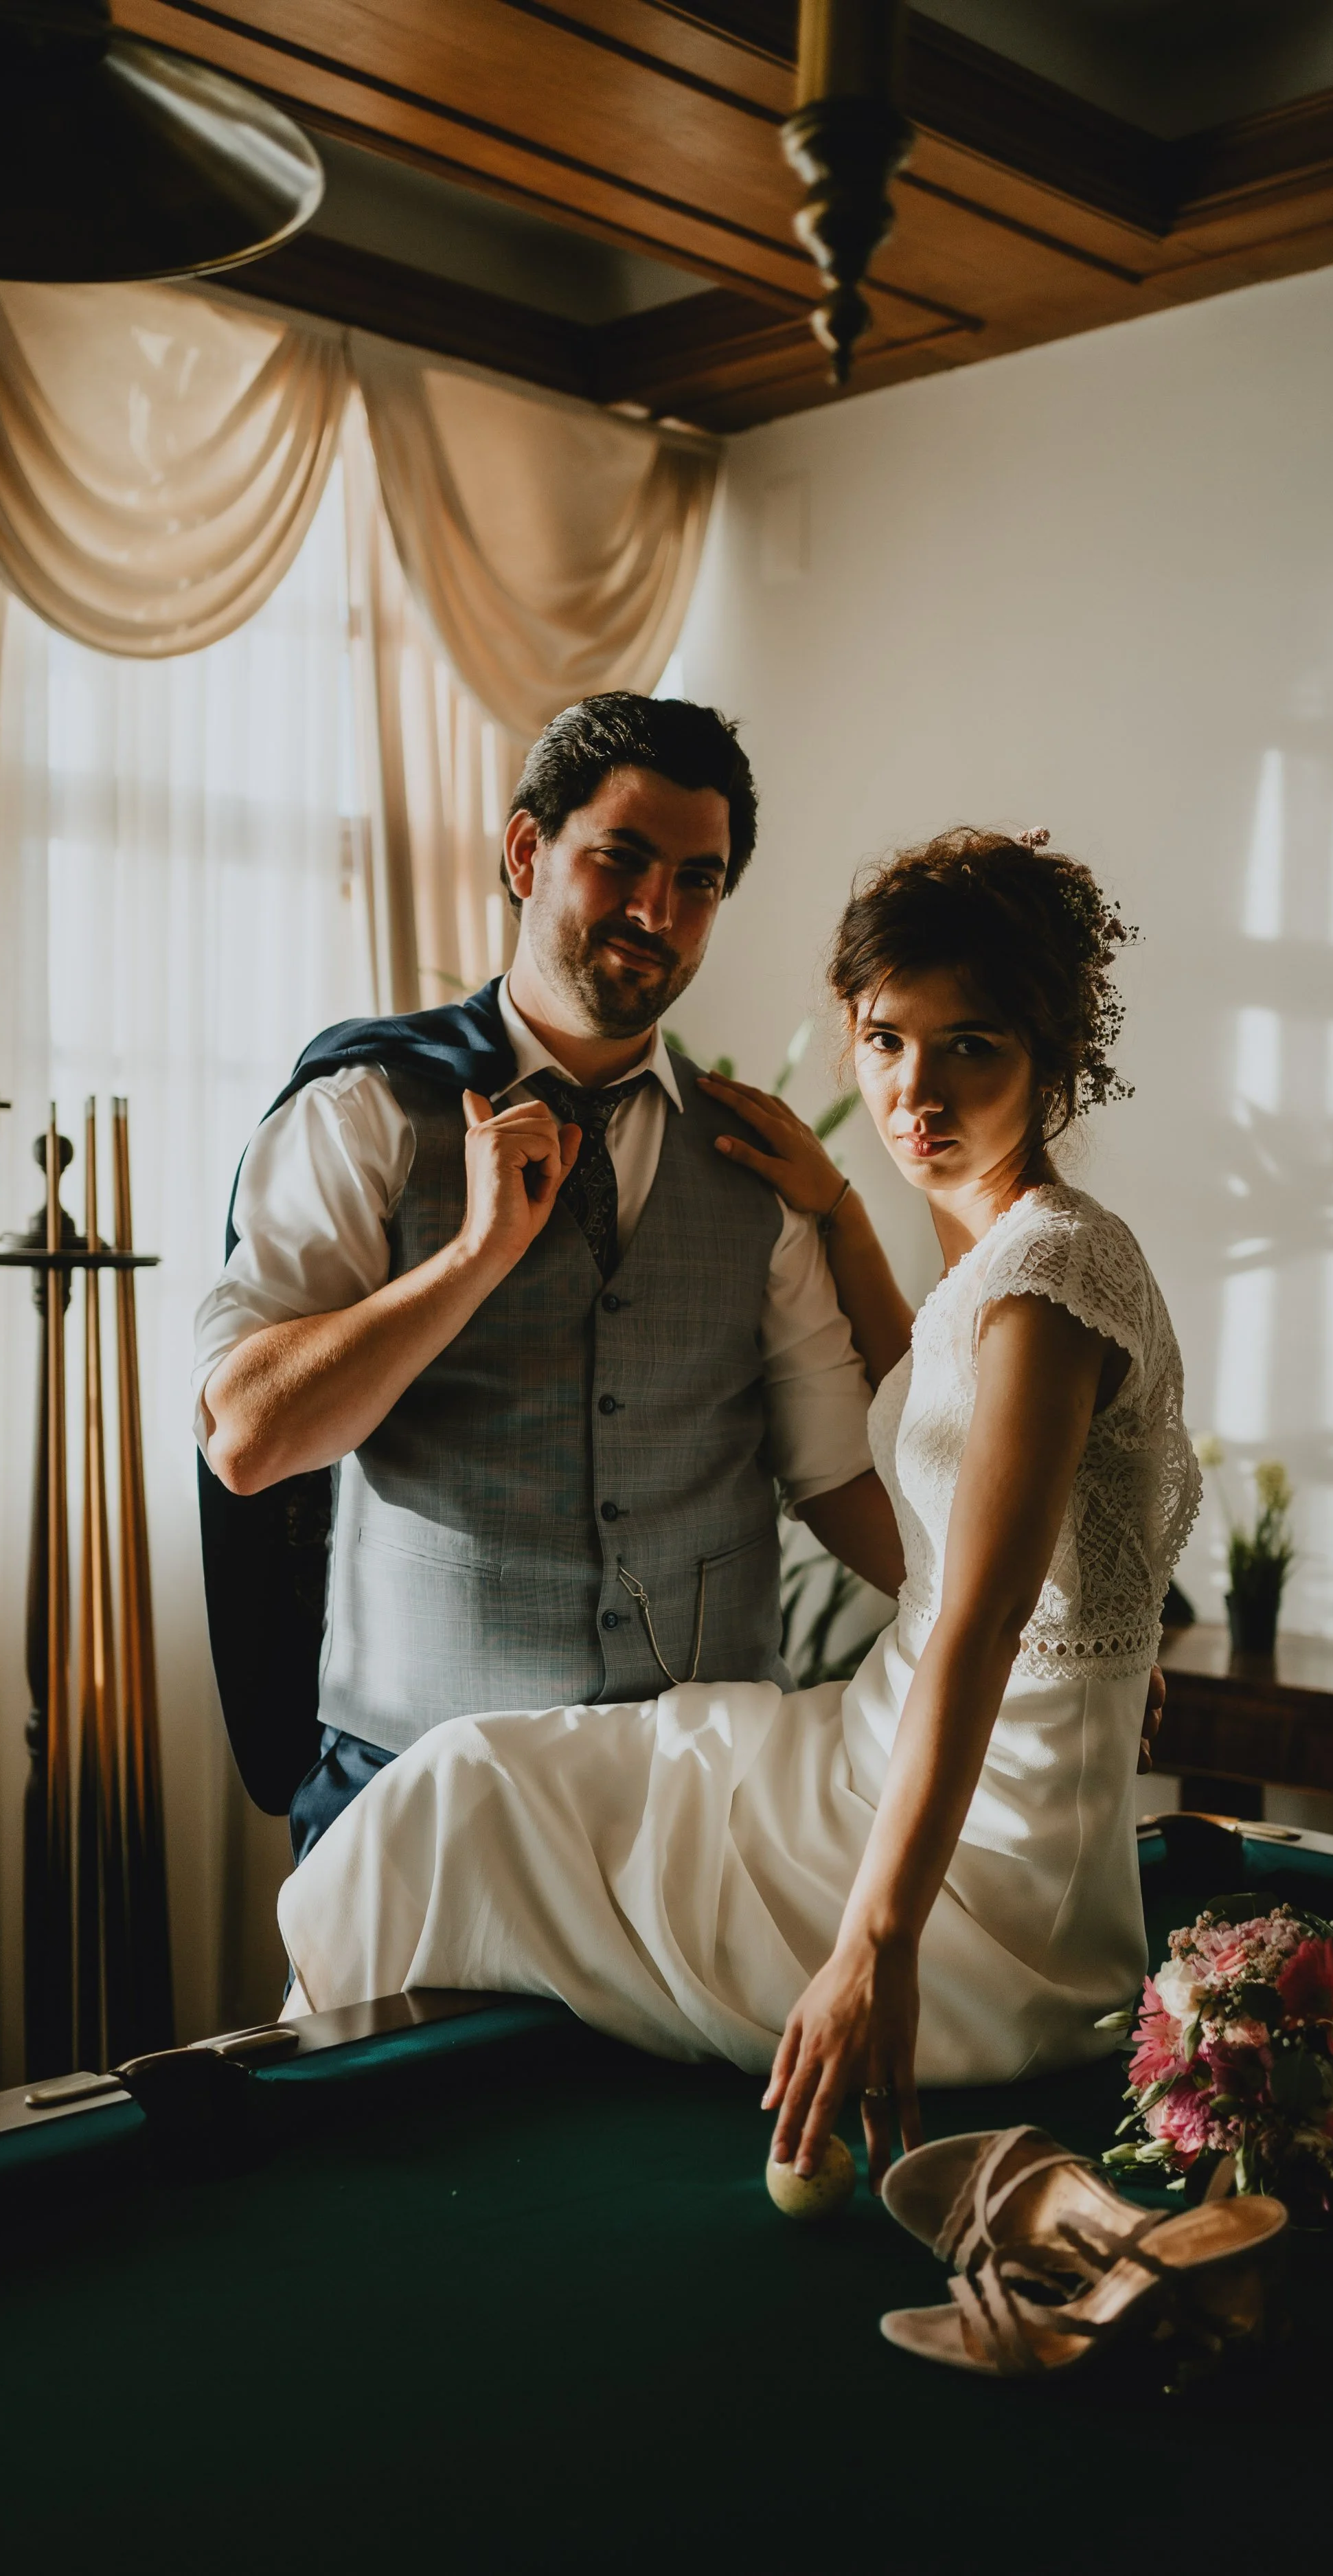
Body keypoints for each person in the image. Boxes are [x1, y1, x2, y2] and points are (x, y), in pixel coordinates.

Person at [276, 827, 1201, 2190]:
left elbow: (981, 1624)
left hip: (978, 1866)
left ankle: (300, 2152)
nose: (915, 1091)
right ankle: (336, 2134)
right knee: (468, 1783)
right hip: (892, 1743)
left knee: (465, 1794)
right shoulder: (998, 1253)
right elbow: (935, 1406)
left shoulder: (1049, 1270)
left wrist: (871, 1947)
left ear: (1052, 1057)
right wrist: (831, 1208)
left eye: (971, 1047)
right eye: (887, 1040)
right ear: (845, 1031)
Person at [194, 694, 896, 1860]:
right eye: (619, 860)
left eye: (699, 880)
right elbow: (248, 1437)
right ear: (529, 852)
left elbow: (838, 1477)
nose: (655, 911)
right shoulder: (363, 1112)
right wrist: (472, 1262)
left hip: (694, 1821)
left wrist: (1044, 1637)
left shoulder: (756, 1167)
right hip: (417, 1809)